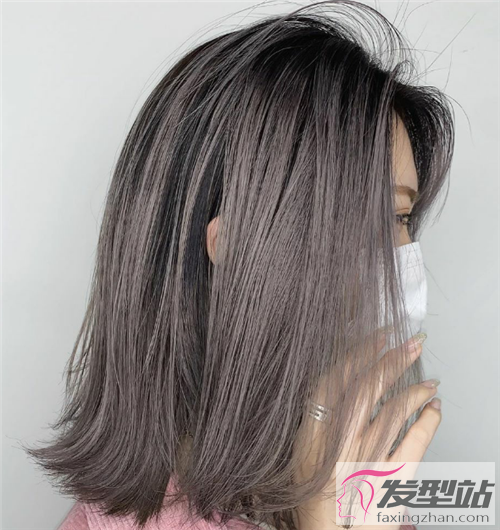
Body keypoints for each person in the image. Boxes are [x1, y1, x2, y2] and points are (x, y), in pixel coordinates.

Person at [24, 2, 454, 529]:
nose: (401, 257)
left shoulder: (357, 478)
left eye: (401, 216)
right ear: (231, 246)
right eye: (370, 217)